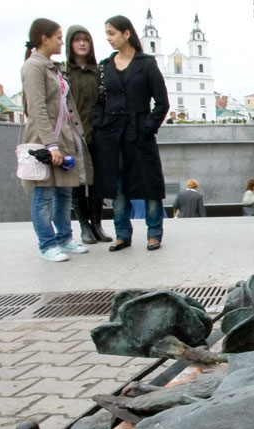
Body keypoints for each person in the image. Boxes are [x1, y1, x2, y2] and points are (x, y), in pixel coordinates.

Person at [91, 15, 169, 252]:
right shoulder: (105, 66)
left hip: (140, 134)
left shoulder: (146, 64)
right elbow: (98, 102)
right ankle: (122, 234)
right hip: (111, 135)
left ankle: (154, 234)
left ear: (126, 34)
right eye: (106, 34)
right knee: (117, 186)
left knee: (150, 184)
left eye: (112, 33)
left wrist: (148, 126)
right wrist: (100, 124)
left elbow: (162, 103)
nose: (108, 38)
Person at [20, 18, 90, 262]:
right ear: (44, 38)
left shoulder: (54, 67)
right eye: (59, 37)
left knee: (64, 192)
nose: (62, 42)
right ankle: (47, 244)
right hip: (45, 140)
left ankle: (64, 238)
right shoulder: (34, 66)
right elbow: (37, 108)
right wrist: (50, 144)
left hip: (64, 138)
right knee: (44, 194)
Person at [64, 24, 111, 244]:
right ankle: (84, 226)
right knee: (76, 184)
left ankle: (97, 224)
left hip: (96, 135)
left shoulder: (98, 72)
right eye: (77, 40)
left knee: (96, 183)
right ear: (70, 44)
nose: (82, 44)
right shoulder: (64, 72)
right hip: (73, 136)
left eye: (86, 40)